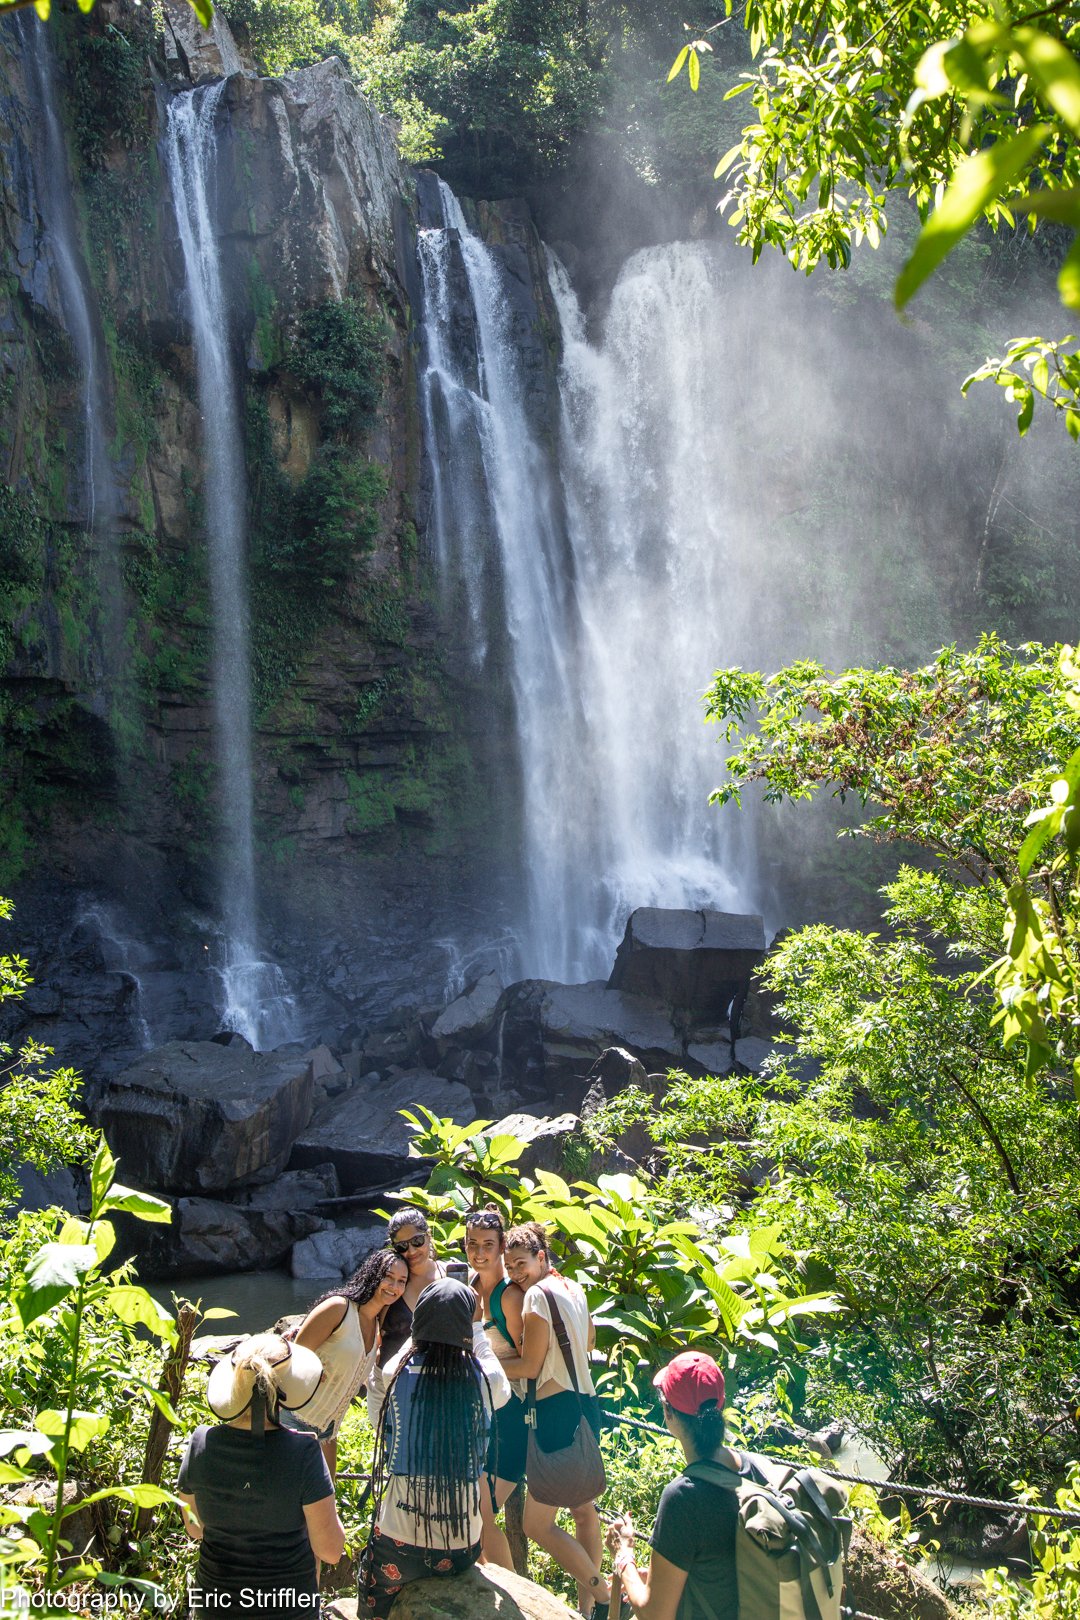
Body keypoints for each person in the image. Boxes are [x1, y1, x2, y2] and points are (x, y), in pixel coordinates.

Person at [359, 1277, 512, 1618]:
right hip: (460, 1548)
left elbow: (377, 1421)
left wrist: (421, 1332)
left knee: (370, 1585)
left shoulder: (394, 1373)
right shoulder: (487, 1381)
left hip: (398, 1547)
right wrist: (476, 1327)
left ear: (418, 1324)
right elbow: (491, 1364)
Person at [178, 1332, 345, 1619]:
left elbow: (195, 1529)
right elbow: (330, 1550)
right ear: (287, 1388)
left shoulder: (200, 1443)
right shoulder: (303, 1451)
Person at [495, 1224, 611, 1618]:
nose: (515, 1273)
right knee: (583, 1513)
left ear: (542, 1257)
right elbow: (591, 1341)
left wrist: (484, 1358)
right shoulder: (574, 1288)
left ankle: (606, 1592)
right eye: (509, 1266)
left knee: (536, 1525)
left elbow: (529, 1365)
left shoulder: (536, 1298)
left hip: (555, 1412)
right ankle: (587, 1609)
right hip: (586, 1406)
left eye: (522, 1264)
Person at [606, 1351, 740, 1620]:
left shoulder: (683, 1498)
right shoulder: (753, 1469)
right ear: (721, 1403)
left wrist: (624, 1556)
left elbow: (654, 1614)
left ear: (668, 1412)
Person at [283, 1248, 408, 1476]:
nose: (394, 1286)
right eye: (388, 1277)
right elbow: (294, 1358)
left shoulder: (378, 1329)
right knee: (291, 1503)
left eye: (401, 1281)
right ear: (373, 1274)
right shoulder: (338, 1308)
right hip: (293, 1420)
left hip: (328, 1432)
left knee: (327, 1502)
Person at [463, 1204, 527, 1567]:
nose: (479, 1253)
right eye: (472, 1244)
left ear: (503, 1246)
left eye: (488, 1244)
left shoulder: (510, 1297)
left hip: (513, 1420)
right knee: (475, 1513)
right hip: (486, 1417)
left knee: (481, 1512)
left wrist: (482, 1368)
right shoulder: (470, 1289)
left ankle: (517, 1596)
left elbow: (530, 1362)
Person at [378, 1208, 445, 1365]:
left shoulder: (450, 1275)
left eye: (417, 1241)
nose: (412, 1251)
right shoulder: (387, 1282)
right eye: (402, 1246)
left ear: (429, 1236)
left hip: (438, 1377)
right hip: (389, 1379)